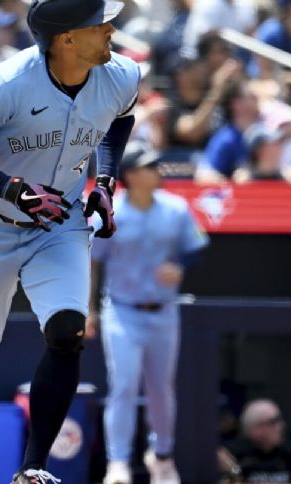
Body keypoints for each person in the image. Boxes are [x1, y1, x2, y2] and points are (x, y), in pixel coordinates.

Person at [0, 0, 139, 481]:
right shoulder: (5, 83)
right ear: (66, 38)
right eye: (100, 23)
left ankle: (33, 468)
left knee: (67, 333)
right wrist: (12, 189)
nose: (111, 29)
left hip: (59, 219)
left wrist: (105, 181)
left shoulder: (120, 73)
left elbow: (121, 116)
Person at [88, 149, 209, 484]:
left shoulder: (175, 208)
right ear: (132, 175)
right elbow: (92, 261)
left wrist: (180, 267)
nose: (158, 170)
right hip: (122, 310)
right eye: (149, 166)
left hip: (163, 311)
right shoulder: (109, 212)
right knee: (123, 386)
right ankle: (118, 463)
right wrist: (88, 310)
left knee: (160, 388)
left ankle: (163, 457)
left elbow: (196, 248)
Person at [220, 399, 291, 483]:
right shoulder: (230, 454)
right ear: (255, 428)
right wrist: (234, 471)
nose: (282, 426)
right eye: (274, 421)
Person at [195, 79, 264, 184]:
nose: (257, 100)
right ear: (236, 104)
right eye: (252, 97)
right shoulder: (226, 138)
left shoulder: (266, 133)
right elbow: (203, 175)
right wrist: (232, 184)